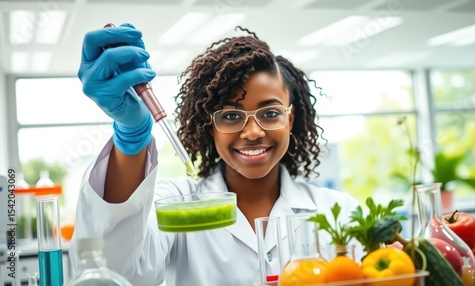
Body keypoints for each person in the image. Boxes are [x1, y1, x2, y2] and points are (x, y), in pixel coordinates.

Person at [70, 23, 360, 286]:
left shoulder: (340, 212)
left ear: (291, 119)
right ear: (210, 126)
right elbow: (115, 273)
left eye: (270, 113)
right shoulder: (177, 205)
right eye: (231, 116)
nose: (252, 133)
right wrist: (131, 136)